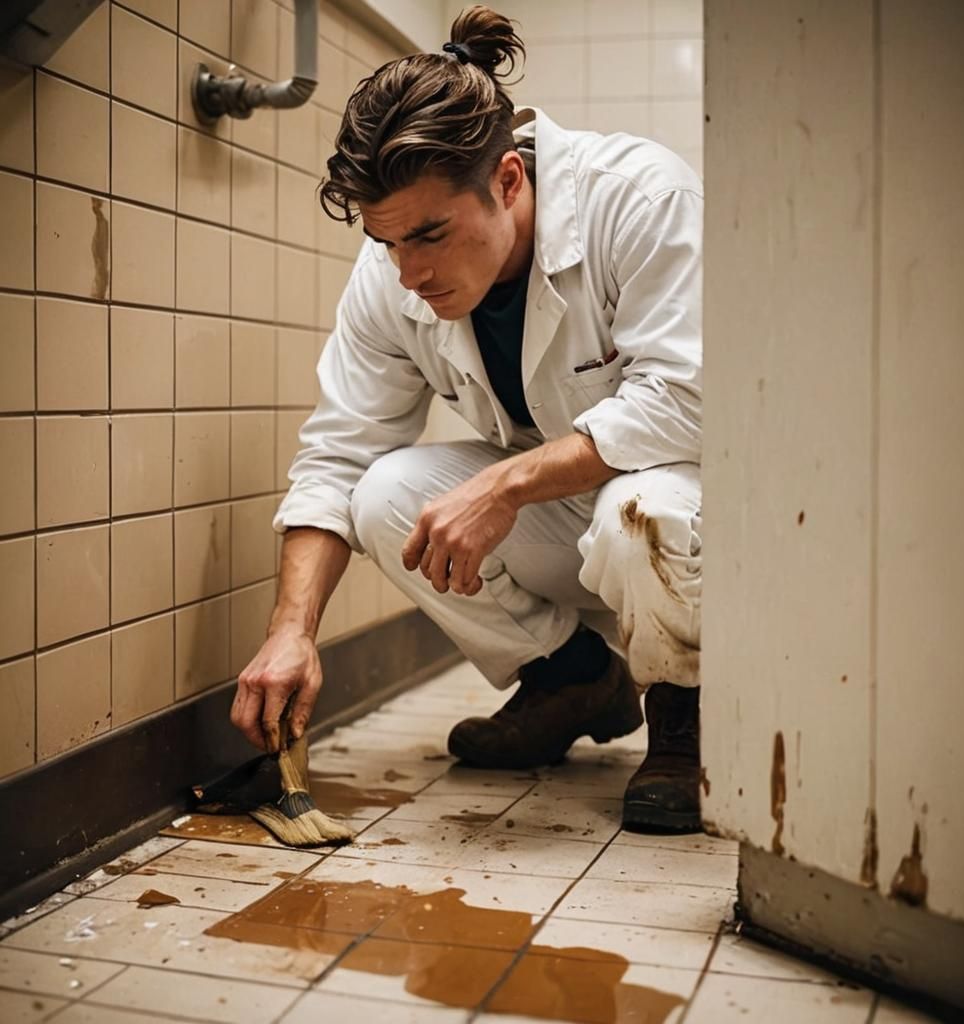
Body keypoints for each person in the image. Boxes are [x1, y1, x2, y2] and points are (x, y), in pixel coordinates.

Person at [230, 5, 704, 833]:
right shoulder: (393, 274)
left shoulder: (638, 198)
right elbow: (339, 455)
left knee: (643, 512)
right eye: (388, 245)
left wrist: (508, 484)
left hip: (702, 509)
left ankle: (684, 715)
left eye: (429, 236)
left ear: (509, 181)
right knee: (382, 493)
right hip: (577, 512)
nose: (409, 273)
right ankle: (572, 680)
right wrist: (292, 631)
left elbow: (689, 401)